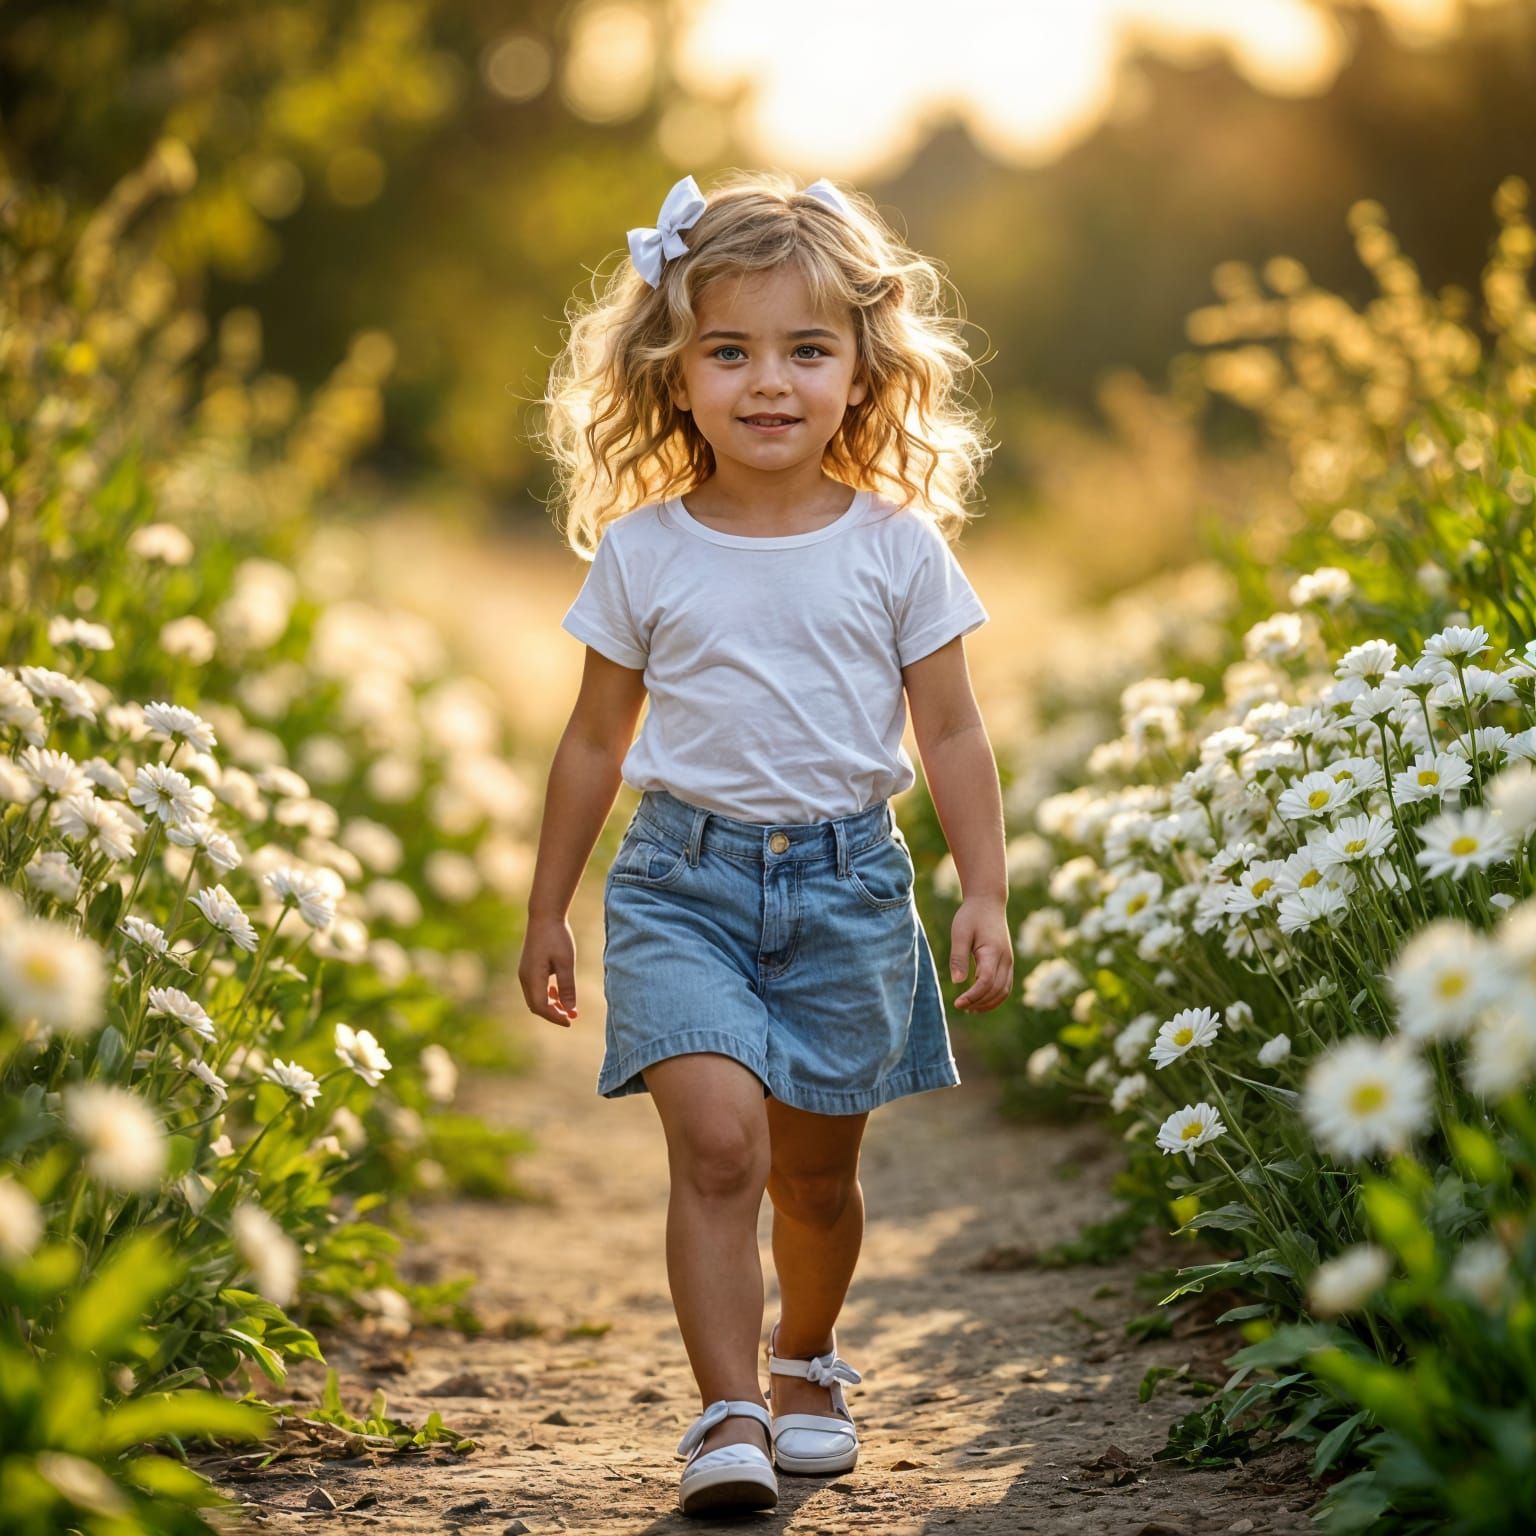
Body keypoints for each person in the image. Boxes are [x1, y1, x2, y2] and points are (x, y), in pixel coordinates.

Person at [519, 169, 1013, 1517]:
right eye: (729, 351)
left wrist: (983, 891)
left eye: (807, 349)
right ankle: (727, 1409)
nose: (769, 382)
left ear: (864, 373)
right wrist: (547, 908)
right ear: (675, 376)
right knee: (722, 1146)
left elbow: (955, 735)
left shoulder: (899, 551)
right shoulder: (646, 552)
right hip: (683, 885)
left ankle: (807, 1359)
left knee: (814, 1176)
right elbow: (590, 743)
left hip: (850, 888)